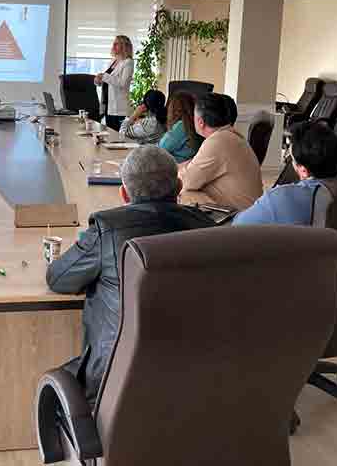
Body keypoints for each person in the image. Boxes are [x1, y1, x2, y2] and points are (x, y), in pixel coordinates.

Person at [46, 145, 216, 406]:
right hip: (193, 373)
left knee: (57, 384)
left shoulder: (106, 228)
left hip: (115, 378)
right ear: (179, 186)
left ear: (124, 193)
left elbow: (59, 279)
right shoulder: (207, 228)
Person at [233, 121, 337, 225]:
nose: (286, 156)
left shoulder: (280, 198)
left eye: (290, 156)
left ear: (303, 170)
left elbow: (238, 225)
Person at [178, 93, 263, 211]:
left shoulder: (217, 141)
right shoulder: (229, 136)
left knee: (184, 194)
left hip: (238, 216)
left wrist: (177, 171)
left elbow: (186, 182)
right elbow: (196, 167)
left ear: (201, 122)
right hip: (248, 210)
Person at [94, 35, 134, 131]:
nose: (113, 46)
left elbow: (122, 83)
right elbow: (109, 82)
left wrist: (104, 76)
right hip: (109, 106)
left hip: (120, 109)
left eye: (116, 44)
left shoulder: (128, 62)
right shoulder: (113, 61)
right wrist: (99, 81)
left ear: (124, 46)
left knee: (118, 136)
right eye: (113, 43)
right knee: (110, 135)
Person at [159, 91, 202, 162]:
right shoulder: (195, 122)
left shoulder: (182, 126)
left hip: (176, 165)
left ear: (173, 109)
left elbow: (161, 147)